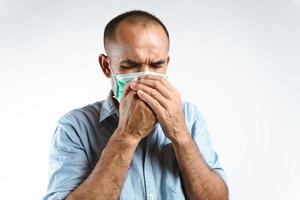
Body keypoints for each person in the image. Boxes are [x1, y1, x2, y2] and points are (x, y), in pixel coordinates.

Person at [43, 10, 228, 200]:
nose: (146, 77)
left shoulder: (189, 116)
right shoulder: (75, 127)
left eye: (156, 65)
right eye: (131, 65)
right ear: (107, 66)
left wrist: (180, 135)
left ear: (167, 63)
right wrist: (126, 135)